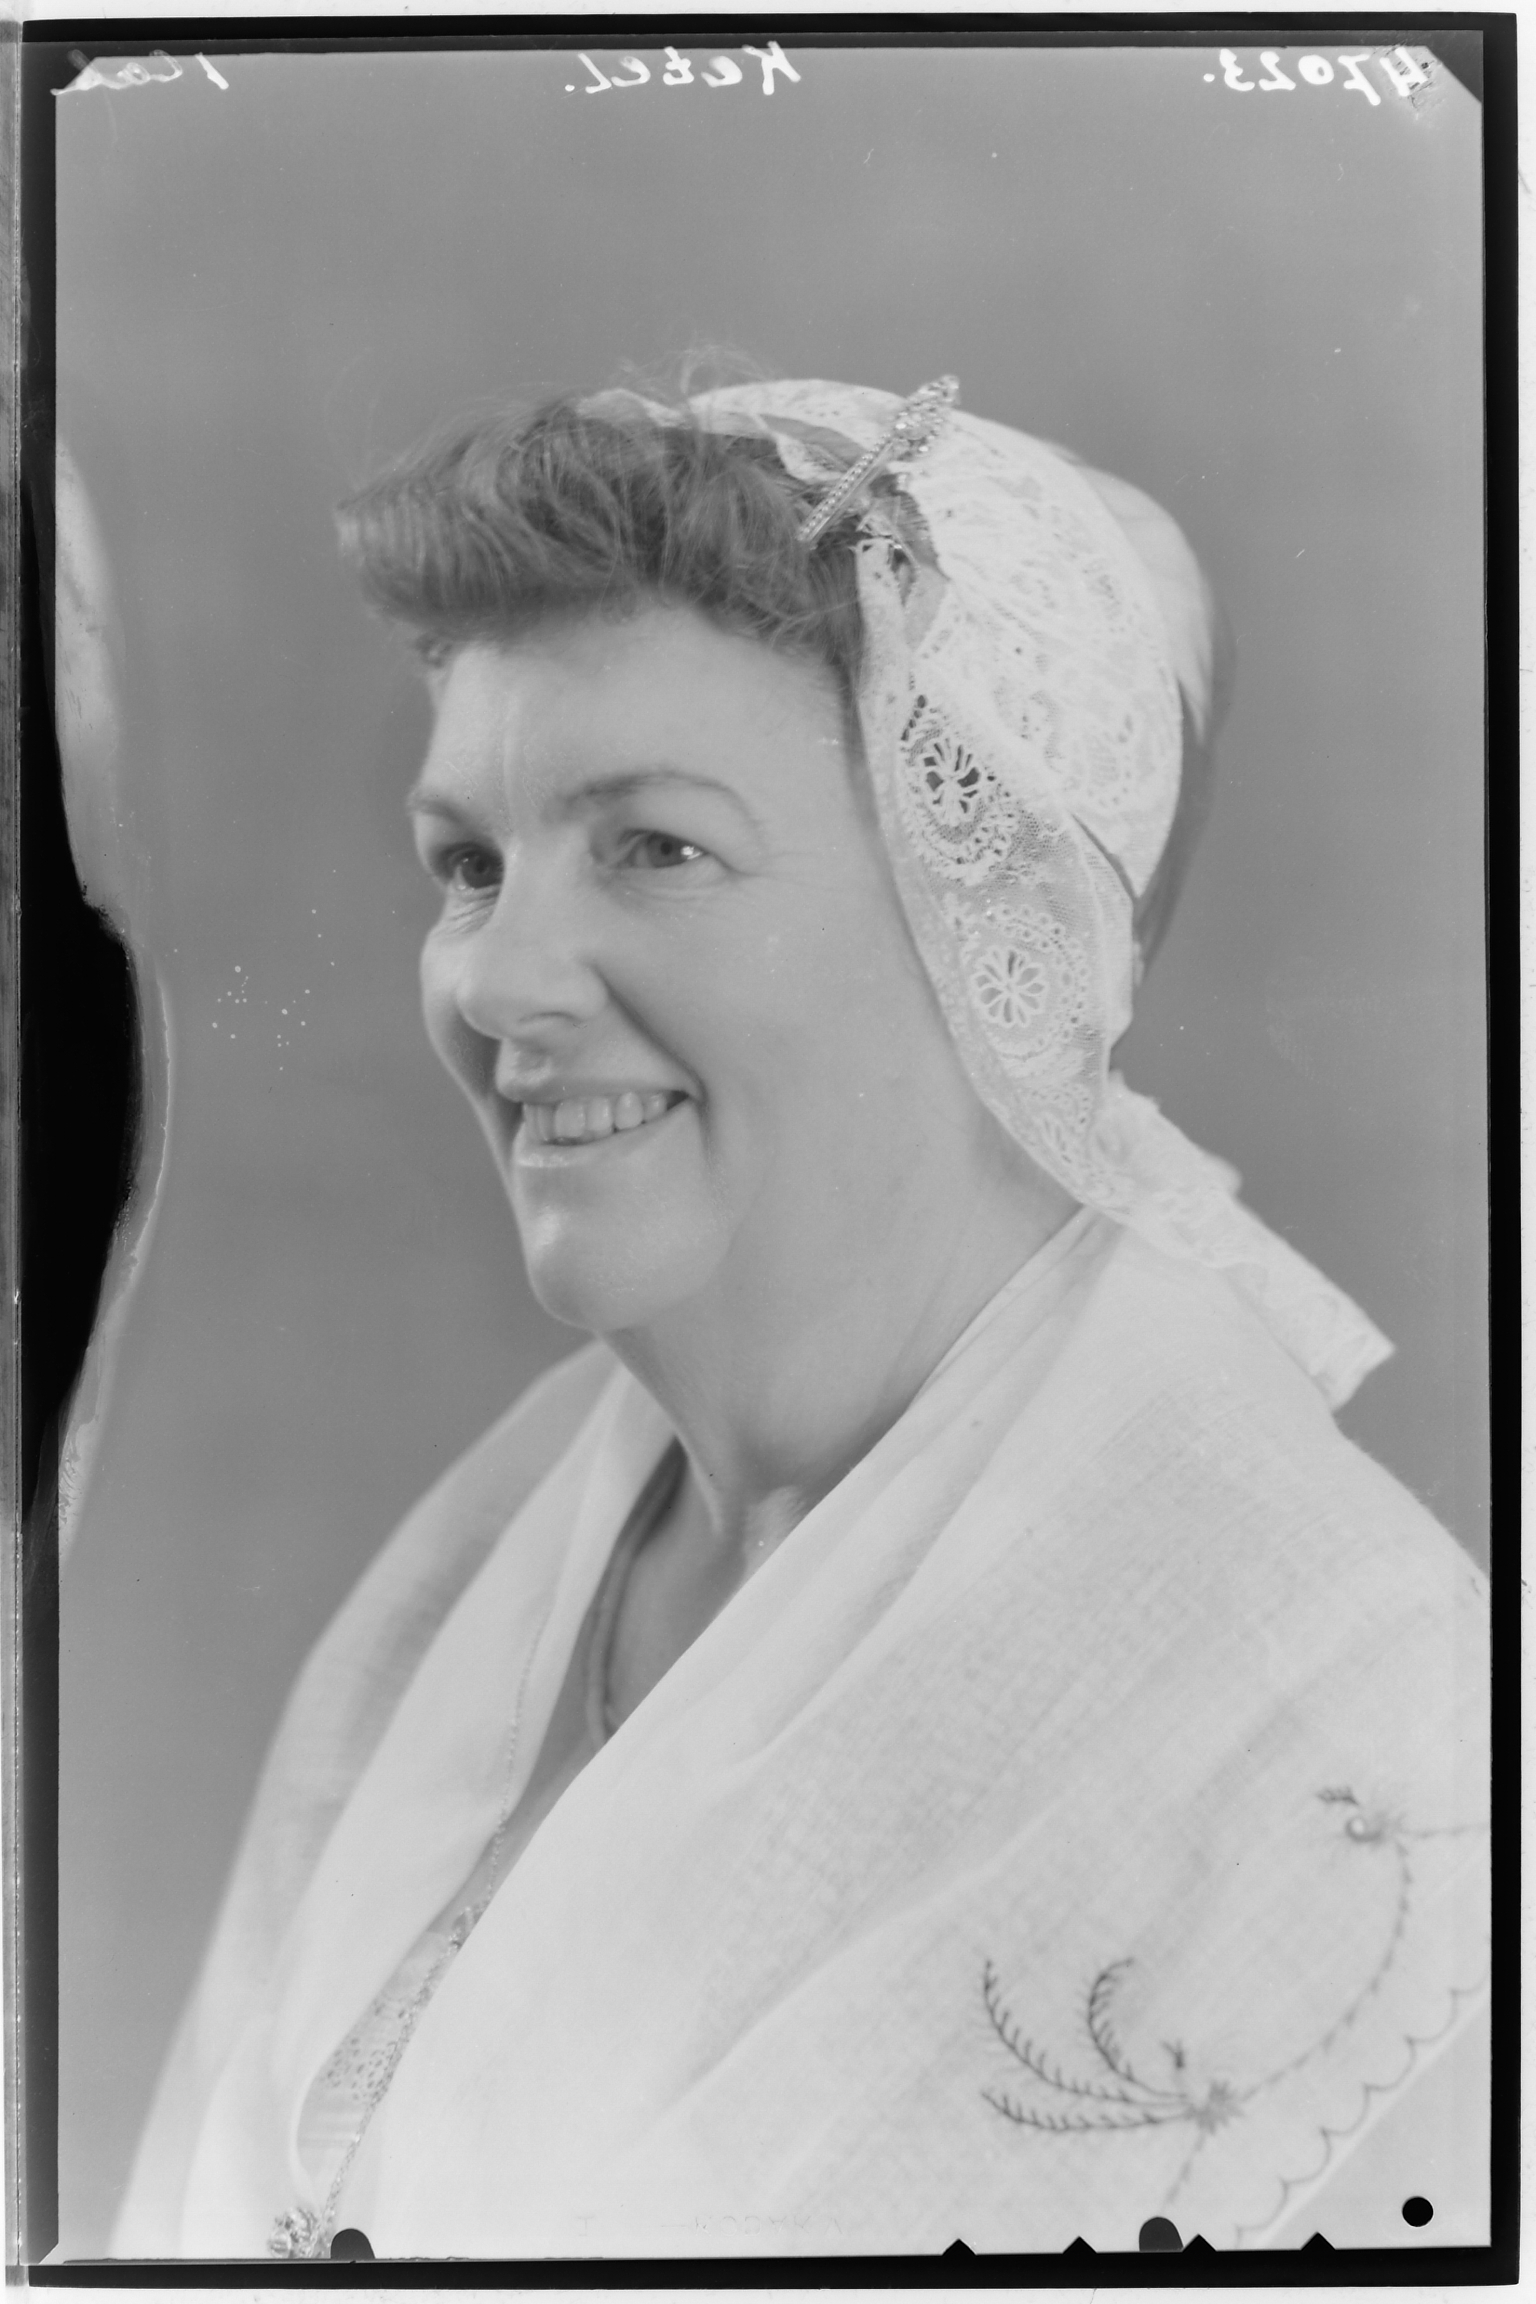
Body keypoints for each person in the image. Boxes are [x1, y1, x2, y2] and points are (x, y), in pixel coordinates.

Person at [113, 375, 1488, 2260]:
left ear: (988, 926)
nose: (498, 984)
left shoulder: (1358, 1735)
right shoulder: (475, 1571)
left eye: (656, 848)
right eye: (471, 866)